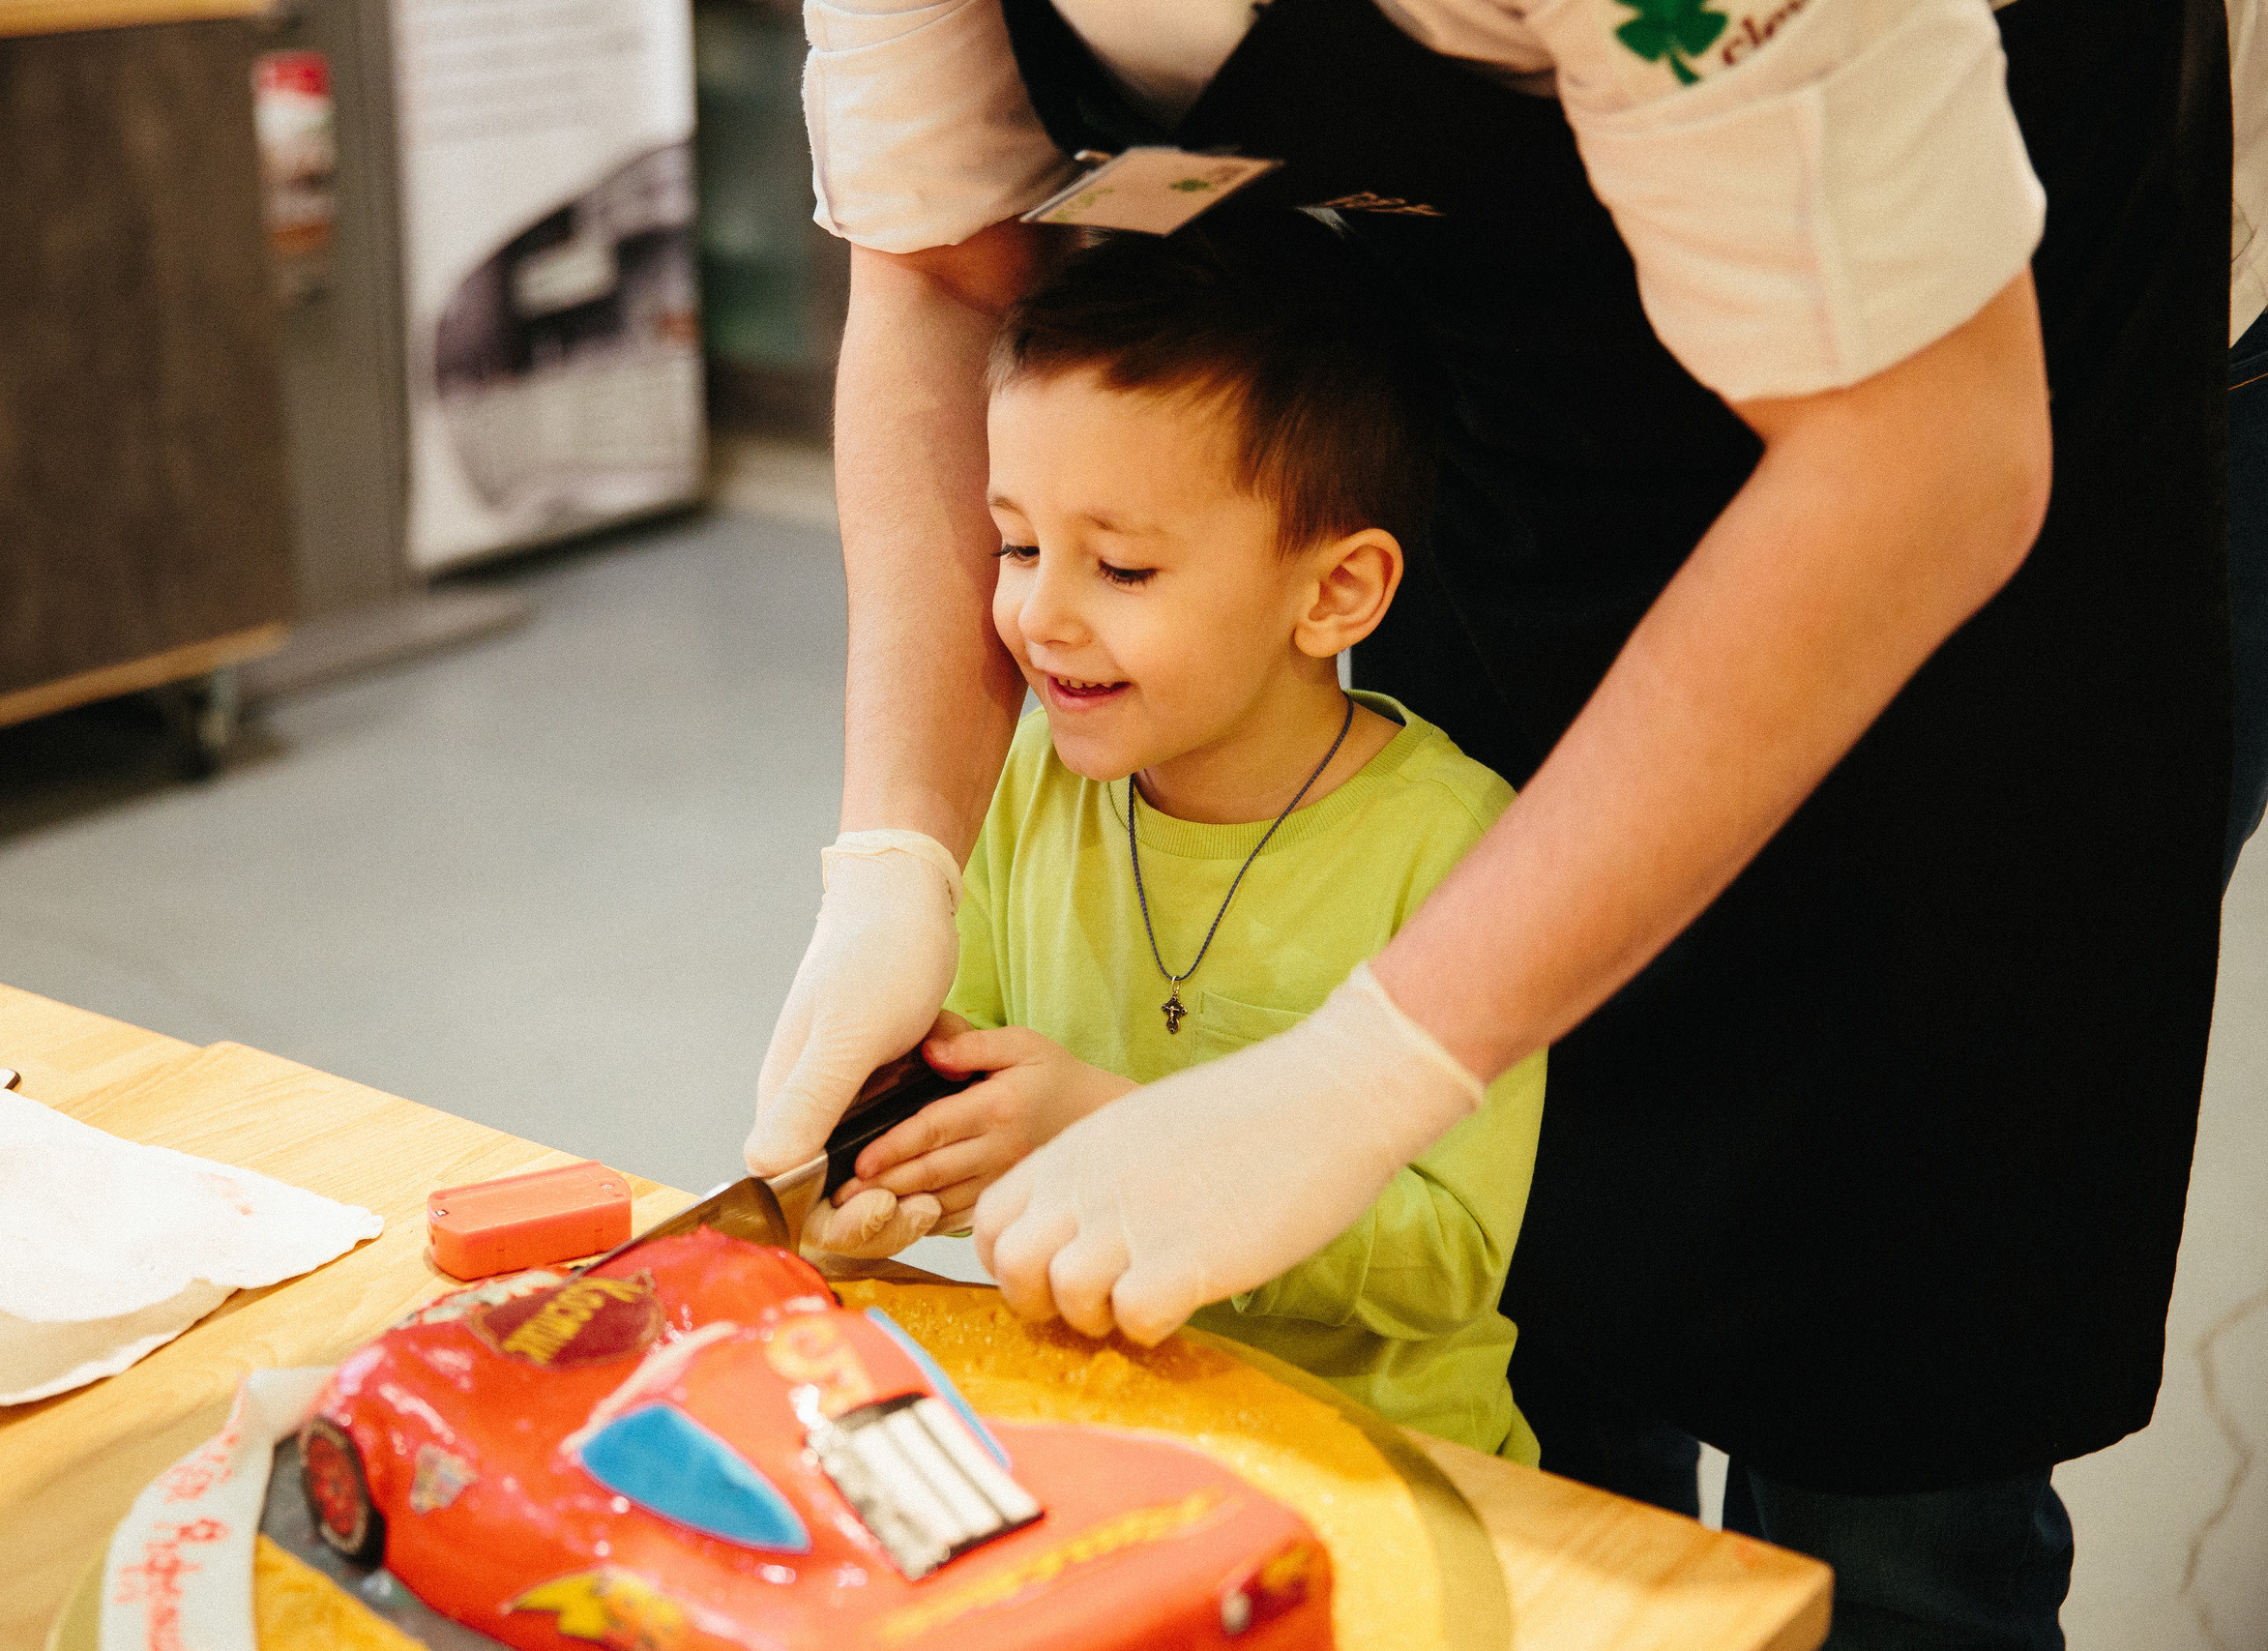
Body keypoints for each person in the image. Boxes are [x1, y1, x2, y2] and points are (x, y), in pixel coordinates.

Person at [748, 1, 2227, 1644]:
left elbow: (1930, 451)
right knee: (1568, 1380)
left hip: (1996, 417)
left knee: (1894, 1432)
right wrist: (899, 856)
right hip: (1521, 406)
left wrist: (1361, 1075)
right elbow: (948, 273)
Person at [805, 224, 1548, 1458]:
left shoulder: (1456, 844)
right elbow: (968, 1063)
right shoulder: (1026, 778)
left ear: (1334, 593)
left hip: (1371, 1468)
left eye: (1124, 568)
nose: (1039, 616)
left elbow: (1449, 1262)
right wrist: (898, 1149)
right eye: (1019, 545)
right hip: (1097, 1438)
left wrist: (1103, 1124)